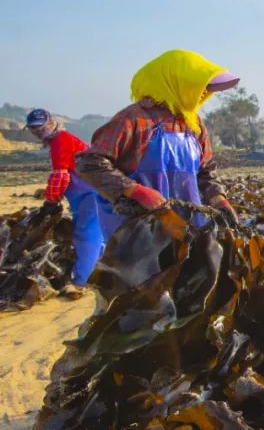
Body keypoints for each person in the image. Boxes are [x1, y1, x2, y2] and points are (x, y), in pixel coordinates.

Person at [75, 49, 240, 240]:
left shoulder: (193, 124)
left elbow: (205, 170)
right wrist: (133, 190)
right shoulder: (132, 120)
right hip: (137, 229)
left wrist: (218, 198)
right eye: (199, 85)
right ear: (174, 82)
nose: (205, 91)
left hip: (187, 226)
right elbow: (89, 163)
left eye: (207, 87)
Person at [24, 109, 104, 294]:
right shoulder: (61, 141)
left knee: (85, 236)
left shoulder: (61, 141)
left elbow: (60, 176)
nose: (38, 133)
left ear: (51, 124)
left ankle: (81, 281)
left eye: (40, 128)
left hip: (90, 193)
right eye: (33, 129)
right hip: (88, 194)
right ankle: (99, 272)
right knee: (96, 236)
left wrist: (50, 201)